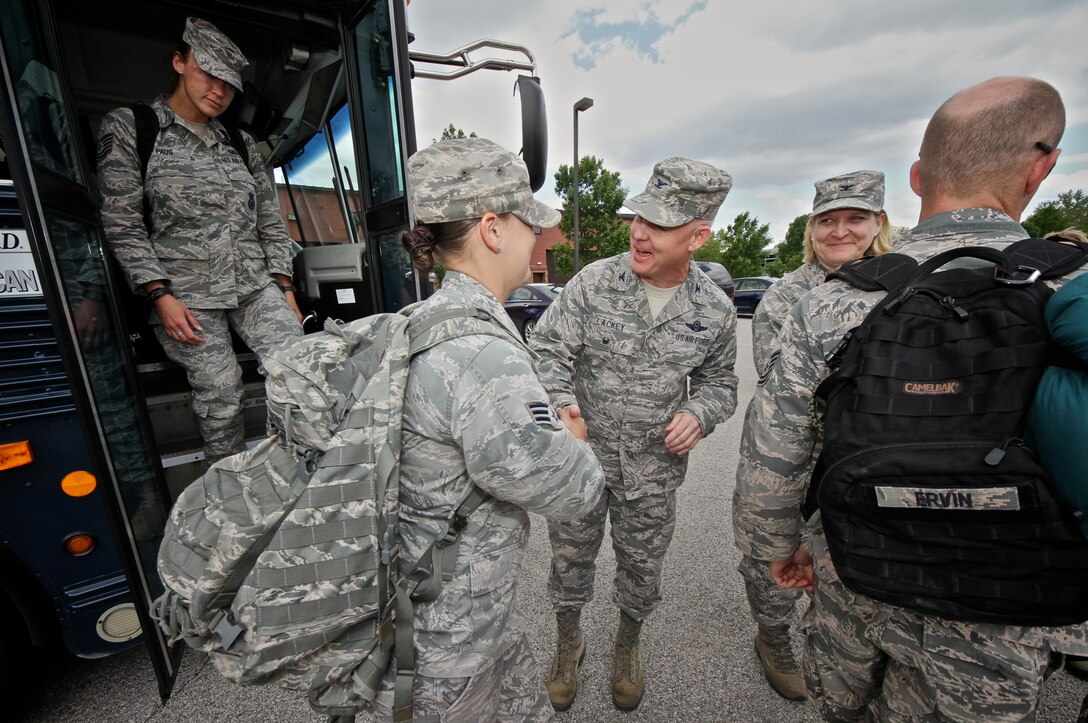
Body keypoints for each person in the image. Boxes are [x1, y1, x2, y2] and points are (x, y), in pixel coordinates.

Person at [733, 76, 1088, 721]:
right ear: (1042, 169)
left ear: (918, 177)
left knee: (844, 707)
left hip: (857, 567)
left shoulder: (840, 301)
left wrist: (776, 546)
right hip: (1006, 603)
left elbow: (774, 450)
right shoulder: (1073, 290)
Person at [363, 137, 605, 722]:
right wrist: (573, 443)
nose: (537, 237)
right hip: (452, 639)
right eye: (530, 224)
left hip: (448, 603)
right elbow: (572, 490)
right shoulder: (480, 354)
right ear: (493, 230)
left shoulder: (420, 321)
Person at [531, 157, 739, 711]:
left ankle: (627, 645)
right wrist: (563, 405)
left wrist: (700, 413)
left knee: (642, 569)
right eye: (638, 217)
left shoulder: (714, 310)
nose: (640, 233)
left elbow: (721, 382)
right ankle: (568, 641)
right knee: (569, 563)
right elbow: (547, 349)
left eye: (661, 225)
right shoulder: (595, 282)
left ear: (698, 236)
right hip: (580, 464)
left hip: (652, 472)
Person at [96, 17, 302, 464]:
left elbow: (270, 222)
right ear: (179, 62)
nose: (218, 90)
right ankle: (226, 487)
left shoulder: (241, 143)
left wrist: (285, 288)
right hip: (185, 294)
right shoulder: (133, 128)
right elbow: (122, 222)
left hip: (252, 285)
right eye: (207, 73)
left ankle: (291, 468)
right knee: (223, 390)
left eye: (229, 83)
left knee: (301, 366)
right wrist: (158, 294)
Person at [738, 170, 893, 701]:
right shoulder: (786, 297)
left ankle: (839, 638)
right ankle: (773, 634)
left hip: (866, 458)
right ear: (812, 228)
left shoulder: (903, 283)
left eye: (855, 219)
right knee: (769, 556)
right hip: (792, 455)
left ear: (878, 223)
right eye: (829, 220)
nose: (841, 231)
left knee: (850, 561)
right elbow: (781, 390)